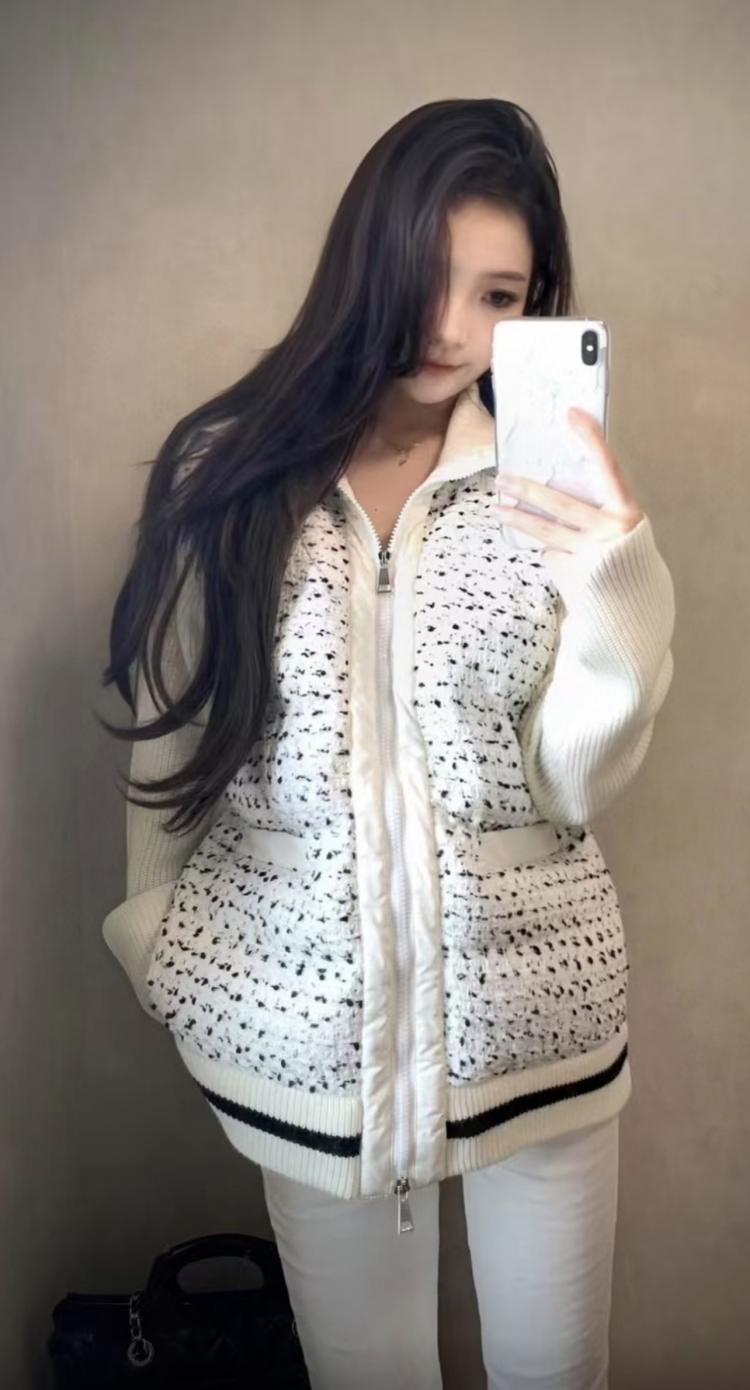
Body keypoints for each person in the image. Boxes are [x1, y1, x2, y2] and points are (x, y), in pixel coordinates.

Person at [98, 98, 676, 1389]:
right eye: (426, 275)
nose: (449, 328)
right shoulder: (228, 477)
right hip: (302, 1046)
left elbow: (571, 782)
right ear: (363, 257)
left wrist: (618, 583)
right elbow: (168, 746)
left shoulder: (547, 488)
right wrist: (157, 945)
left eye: (497, 295)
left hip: (540, 1027)